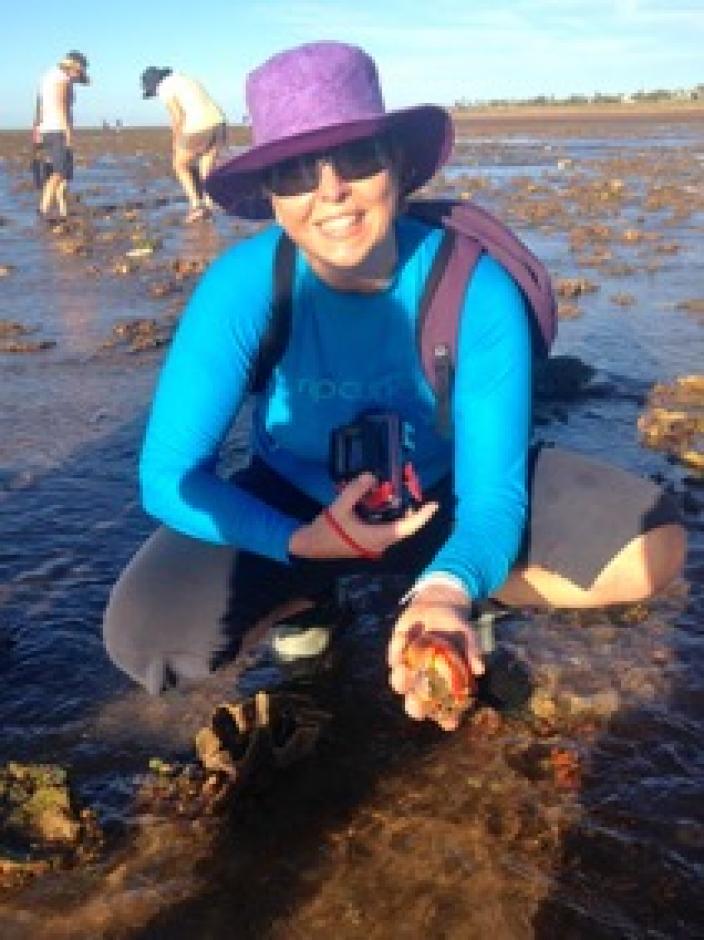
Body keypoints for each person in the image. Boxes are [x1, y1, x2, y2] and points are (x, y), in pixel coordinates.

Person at [104, 41, 686, 734]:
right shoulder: (241, 288)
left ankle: (465, 586)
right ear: (270, 195)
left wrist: (445, 592)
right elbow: (167, 476)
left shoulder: (475, 288)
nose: (329, 190)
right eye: (294, 170)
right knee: (147, 637)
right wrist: (300, 542)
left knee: (655, 545)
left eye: (354, 157)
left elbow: (494, 489)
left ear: (398, 163)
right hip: (299, 507)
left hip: (444, 495)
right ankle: (313, 598)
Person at [141, 66, 227, 223]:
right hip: (219, 122)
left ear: (154, 85)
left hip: (198, 127)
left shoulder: (164, 87)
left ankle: (196, 205)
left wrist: (176, 141)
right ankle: (208, 204)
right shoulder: (187, 78)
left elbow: (178, 117)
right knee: (206, 168)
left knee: (179, 165)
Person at [35, 51, 90, 220]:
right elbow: (61, 106)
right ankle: (43, 209)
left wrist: (37, 127)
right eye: (78, 72)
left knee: (65, 174)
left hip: (47, 128)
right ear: (73, 68)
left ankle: (63, 210)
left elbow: (40, 105)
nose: (77, 77)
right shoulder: (61, 79)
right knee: (59, 172)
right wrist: (68, 132)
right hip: (58, 129)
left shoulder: (49, 76)